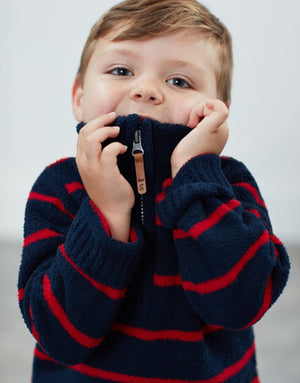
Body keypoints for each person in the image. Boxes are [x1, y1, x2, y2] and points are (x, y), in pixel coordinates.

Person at [18, 0, 290, 382]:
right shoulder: (58, 188)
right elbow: (59, 335)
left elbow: (240, 304)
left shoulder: (230, 186)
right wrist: (108, 214)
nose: (146, 89)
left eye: (179, 81)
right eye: (121, 70)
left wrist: (194, 177)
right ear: (80, 97)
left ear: (218, 110)